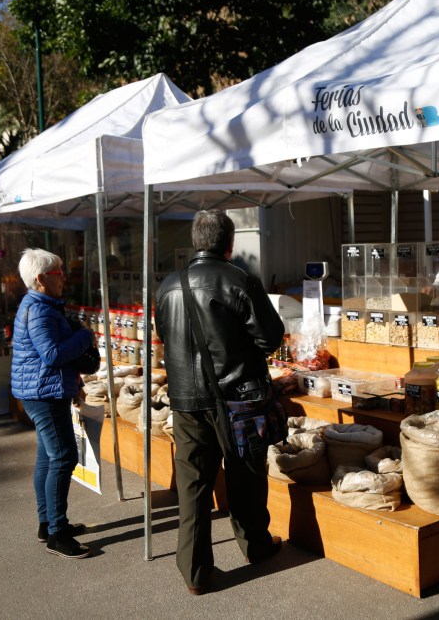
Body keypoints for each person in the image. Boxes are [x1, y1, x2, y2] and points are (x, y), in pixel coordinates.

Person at [155, 210, 286, 595]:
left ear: (196, 241)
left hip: (185, 400)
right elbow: (271, 337)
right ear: (229, 243)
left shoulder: (168, 286)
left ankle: (195, 573)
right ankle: (255, 547)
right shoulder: (240, 280)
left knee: (193, 485)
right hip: (236, 399)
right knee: (245, 475)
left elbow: (164, 335)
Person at [11, 248, 94, 559]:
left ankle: (49, 524)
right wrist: (85, 337)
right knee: (63, 456)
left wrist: (75, 383)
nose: (64, 279)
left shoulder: (41, 305)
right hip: (43, 394)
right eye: (59, 273)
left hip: (42, 389)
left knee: (48, 457)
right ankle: (56, 533)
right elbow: (53, 354)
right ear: (41, 278)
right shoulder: (41, 310)